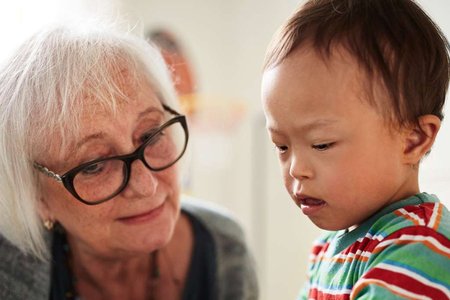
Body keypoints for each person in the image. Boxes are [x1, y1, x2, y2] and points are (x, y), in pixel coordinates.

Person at [0, 23, 258, 300]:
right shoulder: (8, 273)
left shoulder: (224, 248)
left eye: (151, 135)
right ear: (35, 195)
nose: (146, 185)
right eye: (94, 165)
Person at [261, 0, 450, 299]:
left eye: (322, 144)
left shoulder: (418, 246)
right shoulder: (327, 249)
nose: (296, 168)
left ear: (413, 139)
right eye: (281, 145)